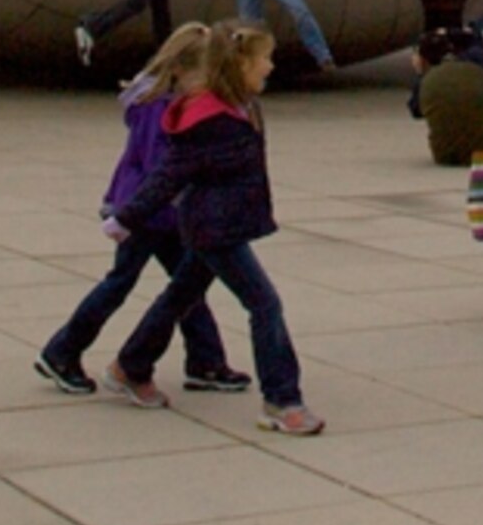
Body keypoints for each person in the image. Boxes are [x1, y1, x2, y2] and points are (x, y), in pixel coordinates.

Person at [107, 24, 325, 437]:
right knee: (265, 305)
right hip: (213, 228)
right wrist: (127, 218)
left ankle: (130, 366)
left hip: (225, 221)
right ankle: (282, 400)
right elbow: (168, 174)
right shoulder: (207, 118)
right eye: (265, 58)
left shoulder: (240, 106)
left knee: (179, 296)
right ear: (241, 64)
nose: (271, 65)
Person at [38, 26, 246, 396]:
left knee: (187, 285)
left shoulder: (165, 101)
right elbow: (159, 166)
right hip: (145, 211)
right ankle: (62, 351)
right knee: (124, 282)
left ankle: (206, 360)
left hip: (161, 211)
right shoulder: (158, 107)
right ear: (182, 69)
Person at [413, 30, 483, 164]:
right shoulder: (474, 69)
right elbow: (477, 45)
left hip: (446, 155)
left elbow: (415, 110)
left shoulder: (426, 82)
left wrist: (420, 74)